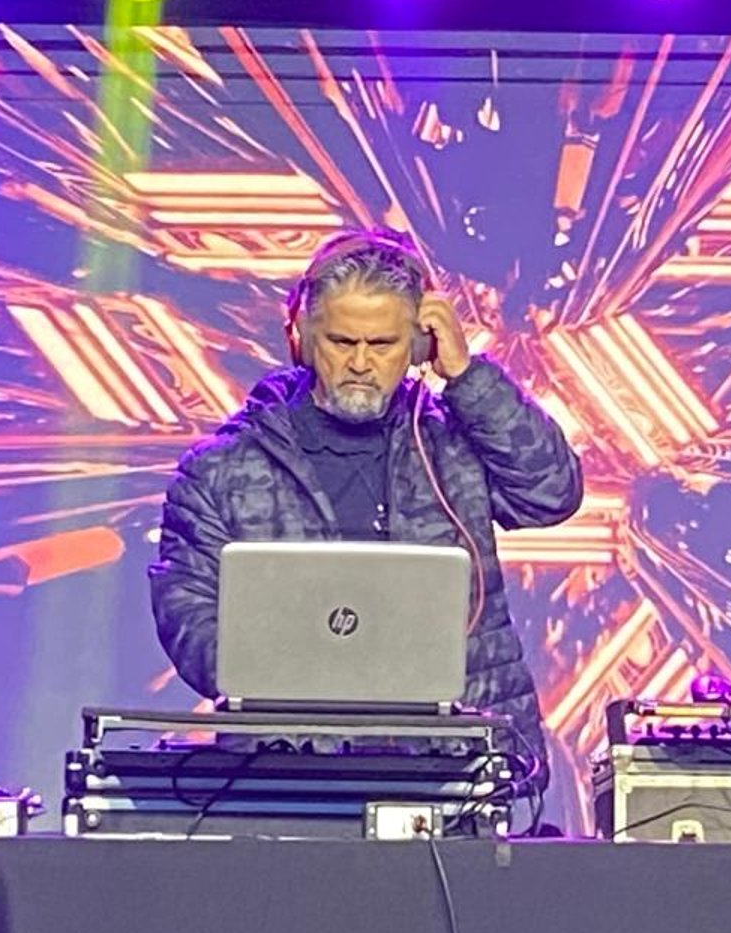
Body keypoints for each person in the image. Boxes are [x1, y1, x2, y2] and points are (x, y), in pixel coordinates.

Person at [147, 227, 584, 787]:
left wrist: (469, 378)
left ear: (420, 345)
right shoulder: (222, 469)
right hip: (292, 773)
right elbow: (187, 612)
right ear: (300, 338)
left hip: (460, 767)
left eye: (381, 345)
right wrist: (291, 673)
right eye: (340, 342)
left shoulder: (454, 442)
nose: (360, 363)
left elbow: (552, 495)